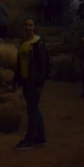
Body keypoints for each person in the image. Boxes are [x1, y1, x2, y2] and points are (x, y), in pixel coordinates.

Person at [12, 17, 50, 150]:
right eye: (26, 25)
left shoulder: (39, 43)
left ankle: (30, 139)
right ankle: (41, 137)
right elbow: (20, 61)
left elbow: (43, 65)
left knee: (32, 109)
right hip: (25, 80)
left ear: (35, 27)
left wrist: (40, 83)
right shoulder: (24, 42)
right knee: (34, 108)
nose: (28, 27)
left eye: (30, 25)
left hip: (34, 81)